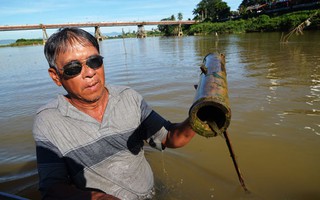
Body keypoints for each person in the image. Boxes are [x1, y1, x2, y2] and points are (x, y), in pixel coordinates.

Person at [32, 27, 196, 200]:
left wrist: (199, 115)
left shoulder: (128, 98)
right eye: (73, 68)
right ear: (56, 76)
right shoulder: (48, 121)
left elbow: (171, 137)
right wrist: (99, 198)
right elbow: (52, 189)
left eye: (94, 61)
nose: (89, 72)